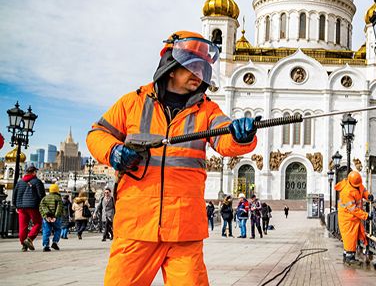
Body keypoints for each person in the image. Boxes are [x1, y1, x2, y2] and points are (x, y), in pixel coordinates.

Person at [86, 30, 259, 285]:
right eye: (191, 67)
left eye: (202, 68)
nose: (198, 74)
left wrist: (242, 137)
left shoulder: (207, 110)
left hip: (184, 228)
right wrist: (112, 151)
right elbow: (97, 133)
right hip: (137, 226)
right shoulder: (133, 102)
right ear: (171, 67)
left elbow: (224, 138)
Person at [334, 171, 370, 263]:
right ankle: (349, 257)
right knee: (349, 237)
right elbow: (353, 209)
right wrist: (366, 216)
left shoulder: (356, 184)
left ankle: (347, 255)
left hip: (353, 217)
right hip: (347, 218)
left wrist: (368, 196)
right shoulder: (346, 192)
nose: (358, 185)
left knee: (351, 236)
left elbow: (363, 190)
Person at [13, 163, 46, 252]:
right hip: (33, 206)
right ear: (34, 172)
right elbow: (41, 195)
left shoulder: (20, 182)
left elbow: (14, 195)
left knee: (22, 226)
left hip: (21, 207)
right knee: (38, 223)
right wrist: (43, 205)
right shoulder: (37, 182)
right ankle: (29, 238)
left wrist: (15, 205)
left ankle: (24, 245)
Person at [40, 184, 64, 252]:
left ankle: (46, 245)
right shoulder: (58, 198)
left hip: (46, 218)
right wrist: (55, 216)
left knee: (46, 231)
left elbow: (41, 207)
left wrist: (45, 216)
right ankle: (55, 242)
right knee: (58, 229)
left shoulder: (45, 198)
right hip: (56, 217)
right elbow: (59, 208)